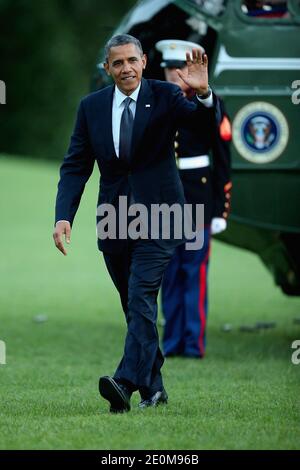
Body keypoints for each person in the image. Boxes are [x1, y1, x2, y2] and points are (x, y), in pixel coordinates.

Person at [53, 34, 218, 413]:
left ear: (144, 61)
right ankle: (154, 390)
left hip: (161, 216)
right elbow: (76, 165)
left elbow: (205, 130)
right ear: (107, 68)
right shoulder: (91, 107)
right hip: (113, 219)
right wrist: (64, 216)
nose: (126, 68)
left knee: (140, 297)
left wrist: (205, 94)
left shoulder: (166, 96)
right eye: (117, 63)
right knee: (134, 308)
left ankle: (124, 382)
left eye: (132, 60)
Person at [155, 39, 231, 358]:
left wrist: (220, 208)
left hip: (197, 202)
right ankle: (172, 344)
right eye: (170, 68)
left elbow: (222, 154)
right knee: (169, 274)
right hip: (162, 204)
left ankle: (193, 343)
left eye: (181, 67)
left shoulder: (208, 103)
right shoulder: (156, 101)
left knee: (194, 273)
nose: (175, 73)